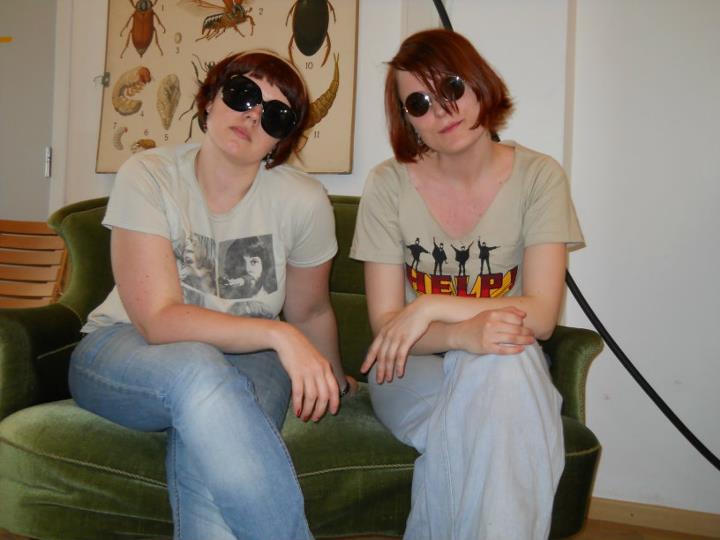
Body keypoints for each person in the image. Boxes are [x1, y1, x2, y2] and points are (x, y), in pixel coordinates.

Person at [69, 50, 356, 540]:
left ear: (281, 140)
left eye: (275, 114)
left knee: (219, 429)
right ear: (209, 100)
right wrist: (279, 335)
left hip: (250, 360)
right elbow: (158, 320)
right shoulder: (150, 174)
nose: (253, 115)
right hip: (127, 348)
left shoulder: (304, 201)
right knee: (201, 369)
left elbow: (310, 309)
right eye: (243, 94)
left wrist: (331, 377)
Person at [351, 29, 584, 540]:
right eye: (420, 103)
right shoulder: (387, 185)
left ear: (479, 83)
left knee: (503, 364)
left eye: (451, 87)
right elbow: (388, 330)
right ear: (407, 120)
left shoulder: (539, 177)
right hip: (409, 369)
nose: (442, 110)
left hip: (505, 359)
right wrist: (459, 334)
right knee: (502, 419)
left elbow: (542, 316)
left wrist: (429, 305)